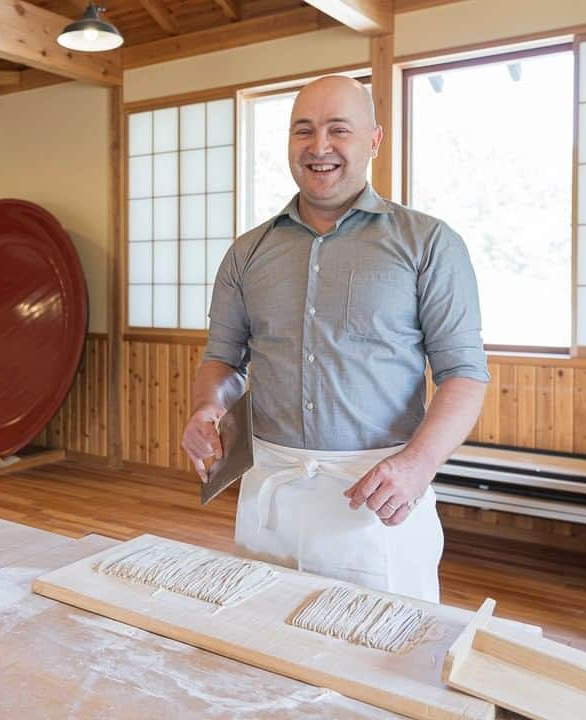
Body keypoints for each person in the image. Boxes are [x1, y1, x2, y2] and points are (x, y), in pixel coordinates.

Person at [181, 75, 489, 603]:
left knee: (382, 663)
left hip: (379, 491)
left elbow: (464, 372)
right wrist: (206, 409)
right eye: (304, 131)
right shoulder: (248, 252)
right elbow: (223, 360)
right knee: (263, 649)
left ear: (374, 139)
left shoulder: (429, 243)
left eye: (338, 130)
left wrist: (418, 464)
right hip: (271, 487)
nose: (319, 147)